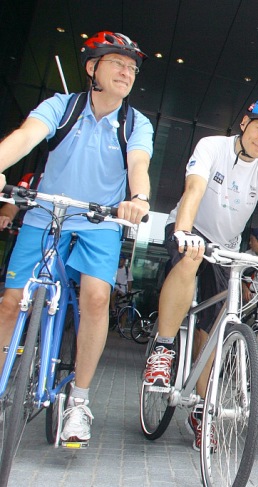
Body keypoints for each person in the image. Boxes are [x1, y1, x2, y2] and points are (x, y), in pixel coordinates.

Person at [0, 31, 153, 443]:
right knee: (12, 301)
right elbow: (25, 137)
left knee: (96, 298)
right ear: (92, 67)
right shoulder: (61, 107)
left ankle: (79, 401)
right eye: (117, 63)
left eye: (132, 68)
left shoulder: (135, 123)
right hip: (45, 213)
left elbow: (139, 164)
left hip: (99, 221)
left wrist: (138, 198)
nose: (127, 72)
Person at [143, 98, 258, 451]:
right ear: (245, 123)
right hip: (191, 228)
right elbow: (194, 189)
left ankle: (203, 410)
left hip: (227, 245)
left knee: (214, 329)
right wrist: (185, 232)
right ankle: (163, 348)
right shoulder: (212, 147)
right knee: (189, 261)